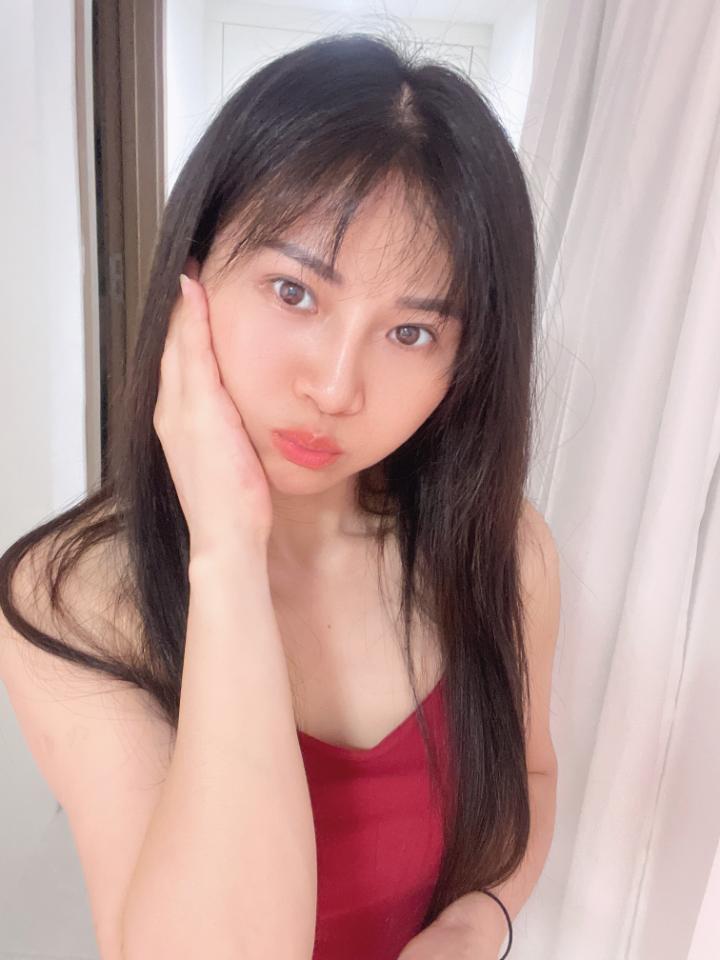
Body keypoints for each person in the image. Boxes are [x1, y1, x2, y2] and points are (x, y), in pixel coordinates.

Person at [0, 32, 559, 960]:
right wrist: (227, 552)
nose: (336, 388)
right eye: (294, 292)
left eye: (411, 333)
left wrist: (477, 923)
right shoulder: (72, 599)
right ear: (189, 278)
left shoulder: (500, 548)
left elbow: (532, 776)